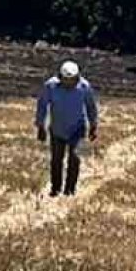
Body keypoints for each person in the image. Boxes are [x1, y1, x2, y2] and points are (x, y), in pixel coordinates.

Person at [35, 60, 99, 197]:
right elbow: (42, 106)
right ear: (60, 78)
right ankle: (56, 188)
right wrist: (41, 126)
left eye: (72, 80)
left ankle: (70, 189)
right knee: (56, 159)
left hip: (78, 130)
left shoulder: (84, 87)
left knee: (74, 159)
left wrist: (93, 126)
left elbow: (91, 107)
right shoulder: (50, 86)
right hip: (57, 129)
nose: (69, 83)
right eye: (66, 80)